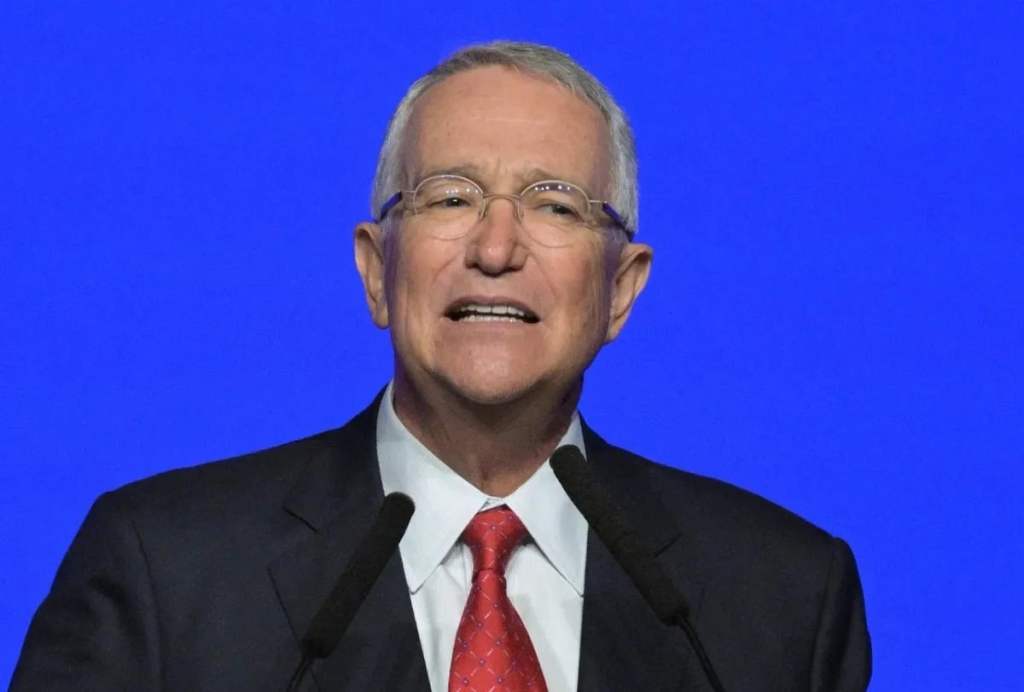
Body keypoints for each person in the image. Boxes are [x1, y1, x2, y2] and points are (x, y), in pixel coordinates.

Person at [12, 41, 871, 691]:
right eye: (451, 197)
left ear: (621, 289)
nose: (495, 248)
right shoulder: (164, 572)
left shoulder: (784, 597)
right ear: (375, 270)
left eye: (555, 205)